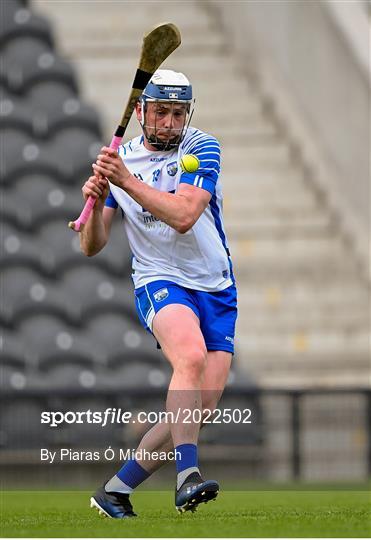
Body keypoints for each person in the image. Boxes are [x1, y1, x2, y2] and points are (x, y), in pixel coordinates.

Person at [80, 69, 238, 518]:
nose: (170, 122)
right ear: (141, 112)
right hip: (158, 279)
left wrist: (124, 181)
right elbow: (91, 245)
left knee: (199, 405)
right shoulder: (121, 159)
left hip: (216, 285)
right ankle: (188, 476)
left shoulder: (202, 147)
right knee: (187, 359)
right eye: (162, 112)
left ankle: (114, 491)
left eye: (178, 113)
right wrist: (96, 200)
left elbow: (185, 214)